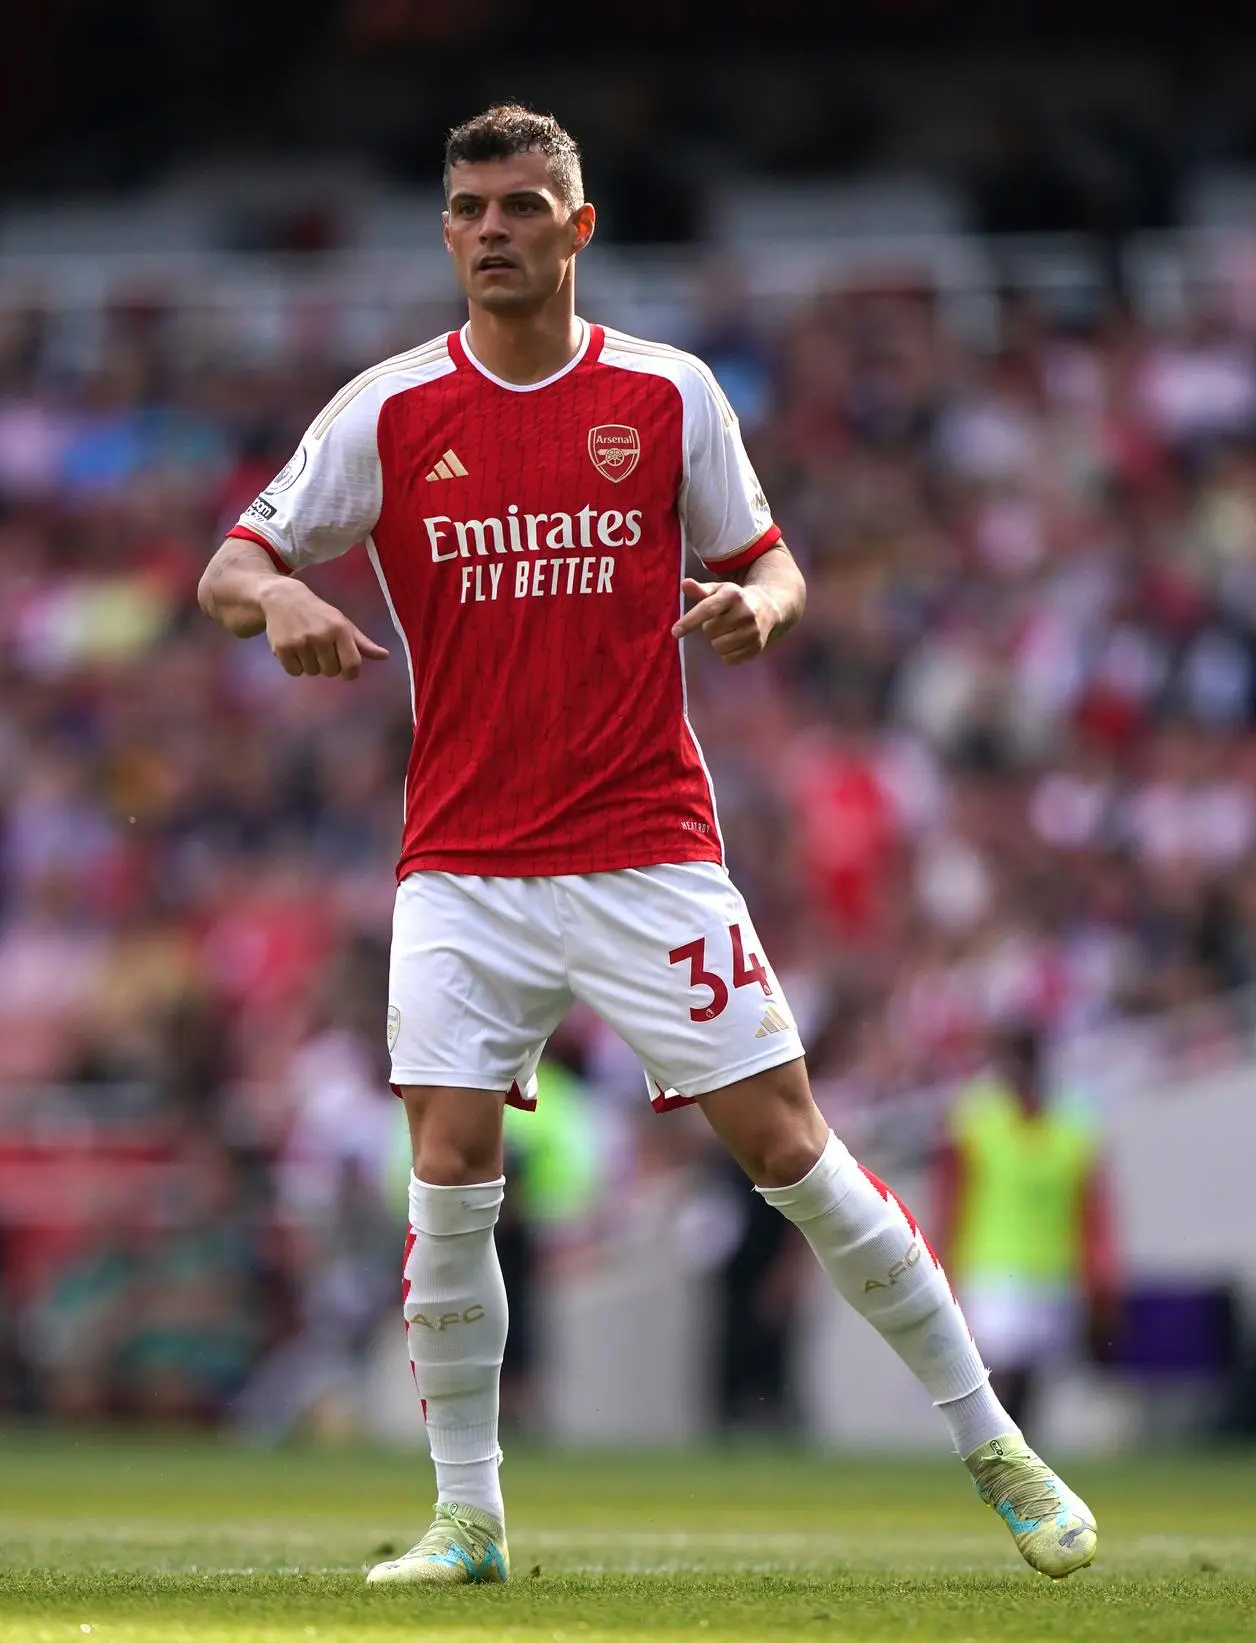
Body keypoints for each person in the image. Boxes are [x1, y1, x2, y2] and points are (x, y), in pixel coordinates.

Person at [197, 104, 1096, 1587]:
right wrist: (278, 599)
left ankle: (995, 1440)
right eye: (471, 207)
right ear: (445, 233)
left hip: (643, 846)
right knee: (449, 1165)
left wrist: (766, 607)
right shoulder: (385, 413)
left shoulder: (670, 396)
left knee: (793, 1148)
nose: (495, 228)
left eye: (524, 204)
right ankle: (470, 1515)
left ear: (578, 226)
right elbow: (237, 559)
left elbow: (772, 559)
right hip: (464, 864)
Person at [935, 1026, 1120, 1432]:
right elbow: (951, 1194)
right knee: (999, 1370)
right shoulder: (976, 1116)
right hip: (992, 1267)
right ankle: (998, 1452)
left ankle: (1017, 1454)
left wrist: (1098, 1267)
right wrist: (944, 1260)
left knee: (1033, 1373)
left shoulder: (1075, 1121)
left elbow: (1091, 1202)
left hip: (1052, 1267)